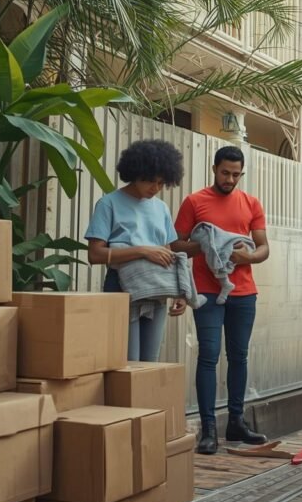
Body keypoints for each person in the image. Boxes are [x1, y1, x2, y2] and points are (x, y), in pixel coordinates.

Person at [172, 145, 270, 454]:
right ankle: (208, 429)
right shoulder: (194, 201)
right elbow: (176, 243)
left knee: (239, 356)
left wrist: (248, 256)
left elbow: (264, 247)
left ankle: (236, 423)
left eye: (236, 174)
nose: (230, 179)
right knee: (209, 356)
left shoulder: (251, 203)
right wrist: (205, 245)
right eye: (225, 173)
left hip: (244, 292)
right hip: (207, 291)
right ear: (214, 169)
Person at [85, 139, 187, 361]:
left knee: (150, 362)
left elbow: (167, 253)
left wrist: (179, 291)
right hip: (121, 287)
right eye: (150, 181)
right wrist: (142, 251)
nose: (155, 188)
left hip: (157, 289)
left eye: (161, 183)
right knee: (125, 360)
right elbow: (94, 254)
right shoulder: (109, 203)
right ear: (134, 172)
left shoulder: (161, 208)